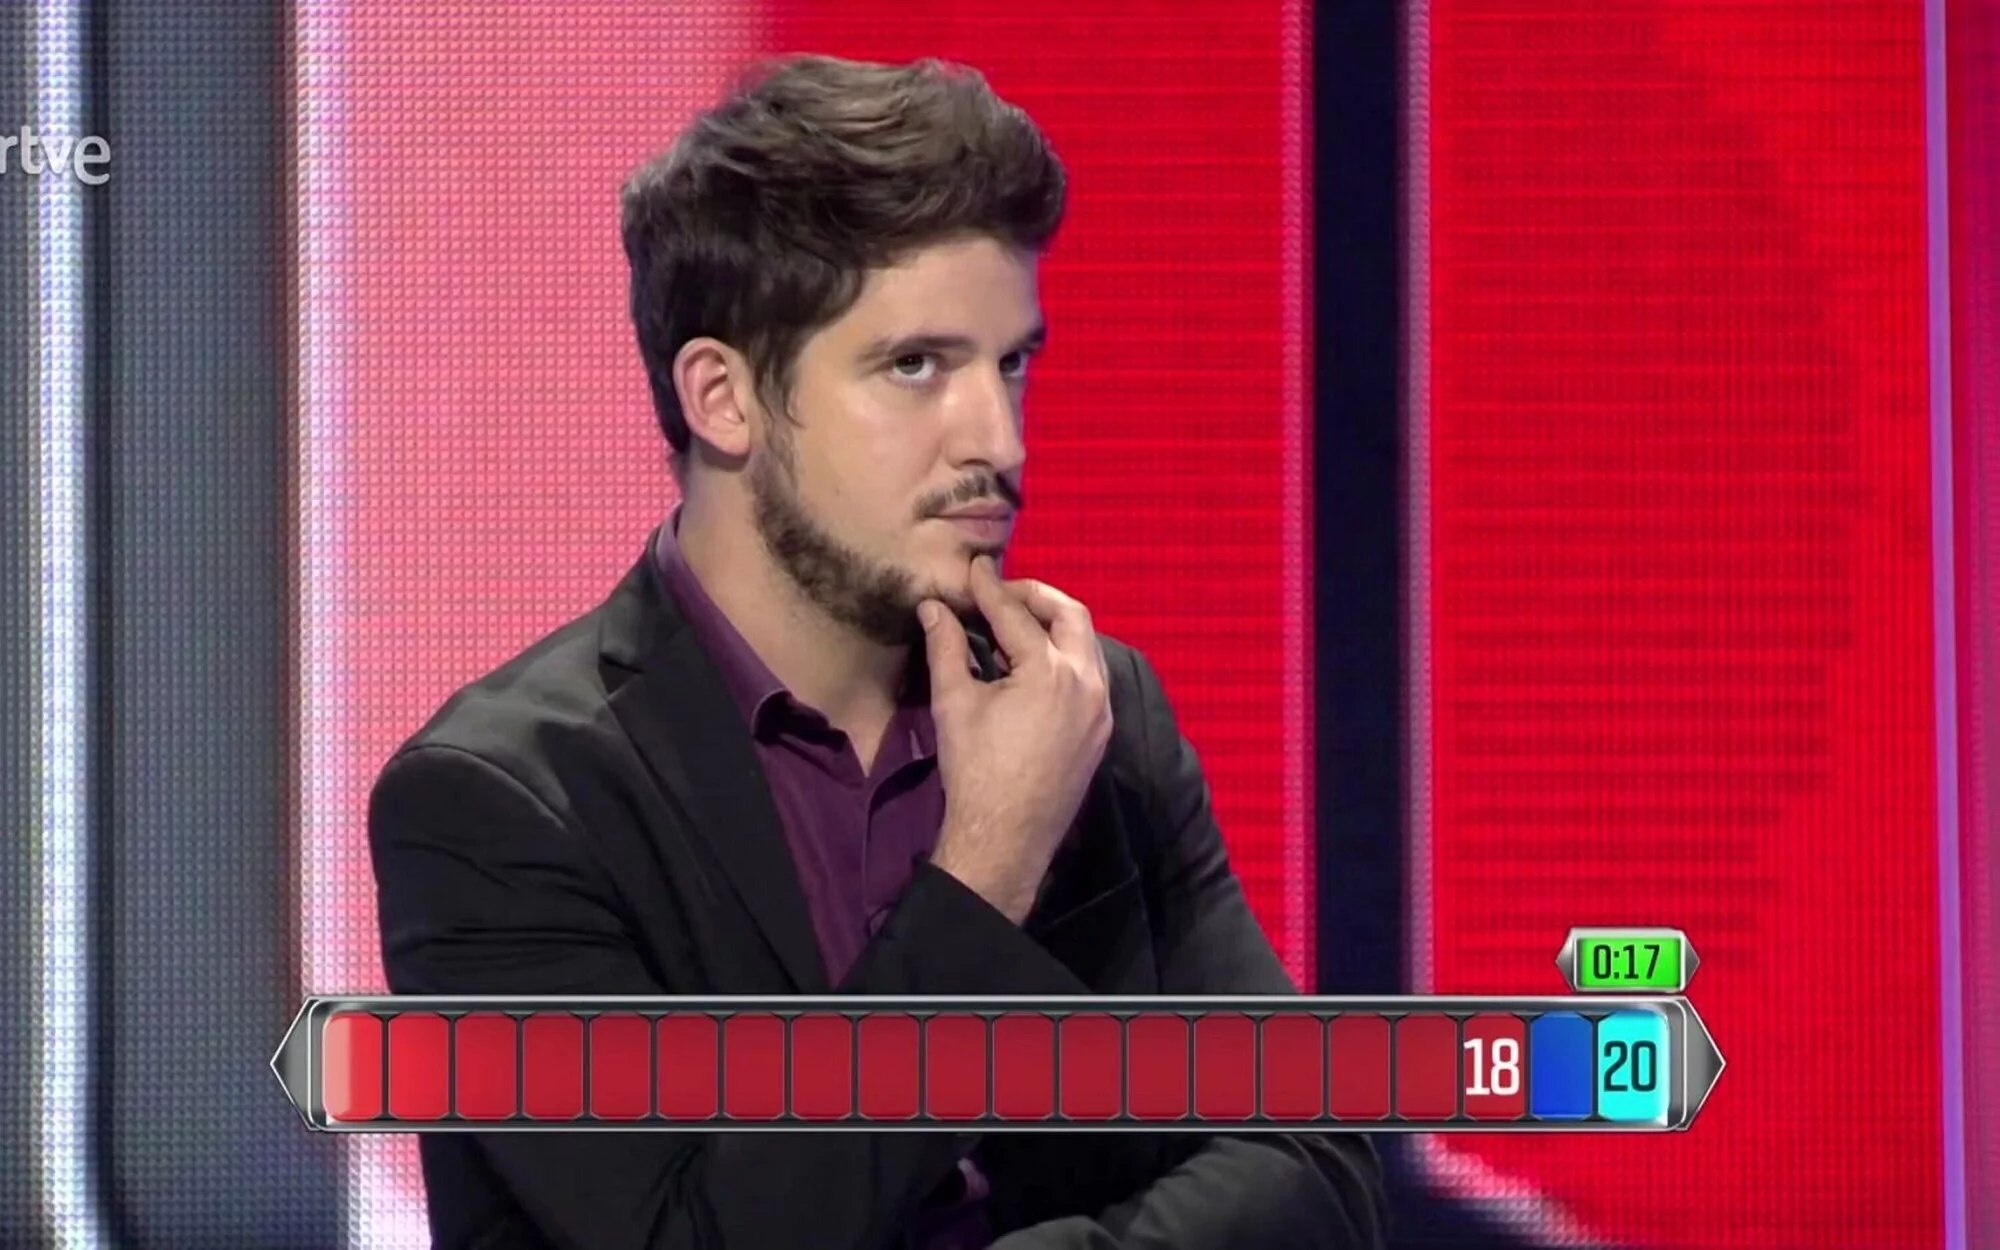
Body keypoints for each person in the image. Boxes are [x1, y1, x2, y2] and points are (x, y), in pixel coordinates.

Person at [368, 53, 1388, 1250]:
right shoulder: (501, 802)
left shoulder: (1090, 708)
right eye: (916, 366)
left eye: (1010, 363)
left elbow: (1313, 1157)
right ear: (723, 398)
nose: (997, 440)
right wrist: (985, 868)